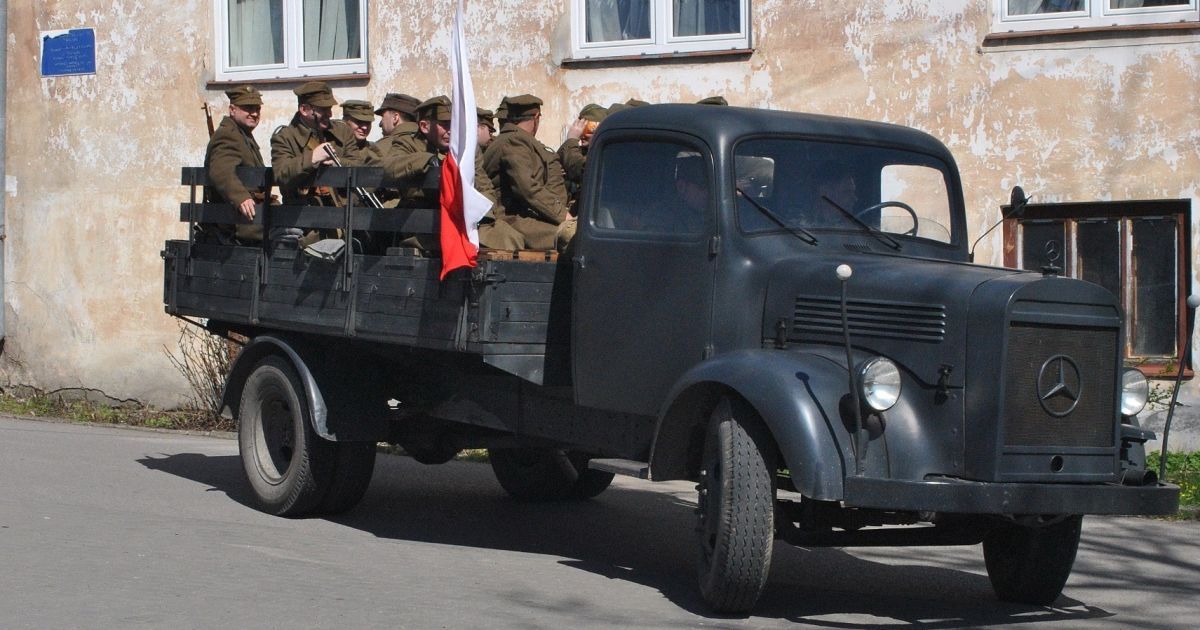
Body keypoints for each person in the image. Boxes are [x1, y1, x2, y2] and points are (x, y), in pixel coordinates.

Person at [379, 95, 521, 252]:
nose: (450, 131)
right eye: (444, 125)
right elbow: (388, 166)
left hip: (467, 219)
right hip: (428, 223)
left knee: (511, 239)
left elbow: (483, 185)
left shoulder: (466, 148)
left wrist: (482, 214)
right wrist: (428, 161)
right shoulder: (409, 143)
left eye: (453, 124)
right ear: (425, 126)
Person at [482, 94, 572, 250]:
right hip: (512, 221)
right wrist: (562, 214)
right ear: (536, 117)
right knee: (573, 237)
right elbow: (527, 189)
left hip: (524, 218)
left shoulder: (512, 140)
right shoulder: (514, 141)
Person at [200, 84, 266, 244]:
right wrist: (241, 197)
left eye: (257, 109)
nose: (254, 113)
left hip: (249, 216)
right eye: (248, 108)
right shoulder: (229, 135)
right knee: (287, 232)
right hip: (237, 221)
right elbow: (221, 171)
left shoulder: (242, 134)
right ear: (232, 110)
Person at [554, 103, 608, 251]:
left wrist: (571, 140)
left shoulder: (604, 154)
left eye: (587, 128)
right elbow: (556, 164)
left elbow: (579, 168)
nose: (581, 134)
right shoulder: (578, 151)